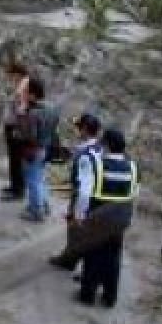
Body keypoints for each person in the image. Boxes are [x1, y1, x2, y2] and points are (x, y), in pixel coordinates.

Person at [76, 129, 138, 308]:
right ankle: (110, 297)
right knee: (113, 256)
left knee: (92, 254)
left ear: (107, 145)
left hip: (98, 215)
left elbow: (85, 193)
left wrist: (80, 215)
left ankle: (87, 294)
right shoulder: (133, 166)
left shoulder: (96, 164)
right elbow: (135, 193)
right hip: (120, 217)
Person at [50, 114, 103, 271]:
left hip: (83, 195)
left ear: (85, 129)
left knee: (75, 230)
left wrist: (78, 212)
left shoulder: (85, 154)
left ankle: (69, 260)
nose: (77, 130)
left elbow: (84, 187)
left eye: (79, 127)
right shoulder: (99, 148)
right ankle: (73, 259)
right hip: (97, 195)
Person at [18, 77, 57, 222]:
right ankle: (44, 204)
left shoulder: (33, 113)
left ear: (33, 94)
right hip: (45, 148)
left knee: (32, 181)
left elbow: (29, 135)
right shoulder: (52, 108)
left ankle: (36, 211)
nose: (24, 94)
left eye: (26, 92)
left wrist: (22, 116)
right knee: (40, 178)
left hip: (32, 150)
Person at [0, 61, 30, 201]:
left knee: (16, 158)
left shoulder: (24, 85)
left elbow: (22, 108)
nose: (10, 78)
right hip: (13, 124)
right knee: (14, 157)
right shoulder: (21, 84)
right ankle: (14, 185)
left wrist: (18, 126)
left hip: (16, 126)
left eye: (11, 74)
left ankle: (18, 190)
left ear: (17, 73)